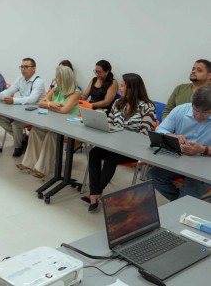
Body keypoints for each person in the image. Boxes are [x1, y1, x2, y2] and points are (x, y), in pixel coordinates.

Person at [83, 73, 156, 212]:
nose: (120, 88)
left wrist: (122, 140)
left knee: (111, 159)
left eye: (122, 86)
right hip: (113, 143)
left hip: (133, 148)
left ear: (132, 88)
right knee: (94, 153)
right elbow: (109, 123)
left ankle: (95, 193)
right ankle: (95, 192)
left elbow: (145, 135)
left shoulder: (148, 107)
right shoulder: (118, 103)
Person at [17, 65, 80, 179]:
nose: (55, 79)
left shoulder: (76, 93)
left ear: (65, 78)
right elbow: (41, 103)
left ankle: (42, 168)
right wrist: (51, 104)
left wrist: (49, 105)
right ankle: (28, 163)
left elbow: (64, 110)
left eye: (58, 77)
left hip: (68, 126)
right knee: (35, 131)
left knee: (52, 136)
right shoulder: (56, 88)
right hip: (53, 122)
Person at [148, 86, 211, 201]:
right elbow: (160, 129)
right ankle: (181, 202)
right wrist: (173, 136)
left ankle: (183, 203)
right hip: (180, 158)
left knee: (189, 192)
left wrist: (202, 149)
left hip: (205, 165)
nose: (199, 116)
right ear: (192, 103)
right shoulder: (180, 110)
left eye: (205, 113)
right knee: (153, 175)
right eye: (196, 110)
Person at [0, 57, 46, 157]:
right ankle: (22, 138)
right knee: (0, 118)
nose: (23, 69)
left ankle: (18, 147)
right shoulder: (20, 79)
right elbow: (10, 91)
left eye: (26, 67)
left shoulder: (38, 82)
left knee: (16, 125)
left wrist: (13, 100)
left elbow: (32, 99)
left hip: (35, 112)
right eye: (22, 66)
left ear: (34, 69)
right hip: (22, 110)